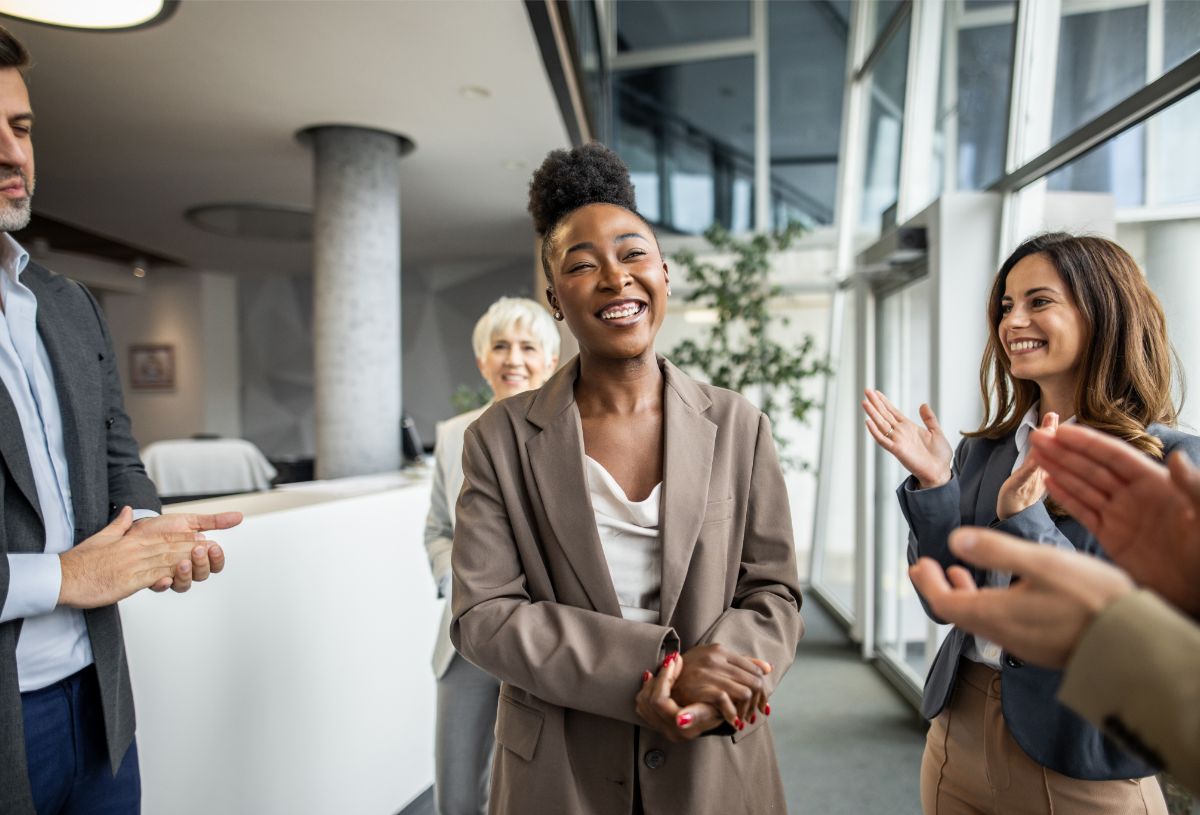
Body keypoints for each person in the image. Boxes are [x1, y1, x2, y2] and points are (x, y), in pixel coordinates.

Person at [449, 143, 803, 815]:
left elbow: (774, 590)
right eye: (582, 266)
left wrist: (716, 676)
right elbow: (483, 614)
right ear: (555, 299)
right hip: (560, 766)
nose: (616, 278)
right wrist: (655, 667)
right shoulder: (497, 439)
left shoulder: (737, 423)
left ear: (664, 272)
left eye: (633, 253)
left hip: (712, 750)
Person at [862, 232, 1200, 814]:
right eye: (1005, 306)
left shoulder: (1171, 463)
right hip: (960, 731)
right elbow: (947, 603)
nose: (1013, 320)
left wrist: (1028, 519)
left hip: (1082, 749)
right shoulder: (986, 452)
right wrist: (937, 484)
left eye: (1039, 301)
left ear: (1104, 313)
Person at [0, 28, 242, 815]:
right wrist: (64, 577)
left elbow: (115, 454)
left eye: (22, 128)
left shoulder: (67, 305)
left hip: (98, 702)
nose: (12, 153)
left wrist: (156, 537)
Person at [909, 524, 1200, 796]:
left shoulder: (1171, 473)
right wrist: (933, 484)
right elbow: (944, 591)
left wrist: (1025, 517)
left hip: (1074, 738)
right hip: (961, 716)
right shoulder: (983, 465)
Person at [423, 296, 560, 815]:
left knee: (534, 793)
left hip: (542, 638)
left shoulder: (574, 436)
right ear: (483, 361)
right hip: (464, 642)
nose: (513, 358)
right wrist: (456, 581)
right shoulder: (452, 435)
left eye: (528, 347)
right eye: (500, 346)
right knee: (456, 793)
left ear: (550, 362)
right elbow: (436, 529)